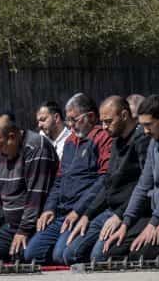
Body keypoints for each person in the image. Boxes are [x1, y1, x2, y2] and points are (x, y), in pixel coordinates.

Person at [101, 95, 159, 262]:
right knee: (113, 251)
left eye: (148, 125)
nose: (145, 131)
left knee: (141, 254)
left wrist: (154, 223)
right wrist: (126, 223)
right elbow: (143, 186)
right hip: (155, 212)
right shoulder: (154, 142)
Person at [26, 93, 112, 265]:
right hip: (62, 213)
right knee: (31, 254)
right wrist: (49, 208)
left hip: (83, 212)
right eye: (69, 120)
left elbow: (103, 180)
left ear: (91, 117)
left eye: (74, 119)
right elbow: (59, 180)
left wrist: (79, 211)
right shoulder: (70, 142)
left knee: (62, 255)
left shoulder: (102, 138)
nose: (70, 125)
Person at [64, 96, 150, 264]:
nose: (104, 127)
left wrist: (121, 215)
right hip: (109, 210)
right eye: (102, 122)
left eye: (108, 121)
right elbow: (107, 183)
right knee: (69, 254)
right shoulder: (116, 141)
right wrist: (87, 215)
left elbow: (144, 186)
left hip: (129, 212)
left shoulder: (142, 141)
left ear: (124, 115)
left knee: (99, 256)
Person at [0, 113, 57, 263]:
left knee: (25, 255)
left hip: (34, 224)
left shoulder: (36, 147)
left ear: (12, 137)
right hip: (11, 226)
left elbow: (36, 196)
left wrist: (24, 230)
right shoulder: (2, 153)